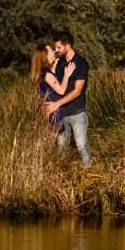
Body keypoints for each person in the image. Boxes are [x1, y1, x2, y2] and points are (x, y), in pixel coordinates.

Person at [44, 32, 92, 167]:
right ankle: (62, 175)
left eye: (59, 47)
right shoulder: (60, 64)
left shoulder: (81, 63)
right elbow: (55, 85)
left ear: (68, 46)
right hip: (62, 114)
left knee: (82, 146)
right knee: (61, 149)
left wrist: (56, 104)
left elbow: (77, 91)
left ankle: (89, 173)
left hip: (77, 112)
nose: (56, 50)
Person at [30, 44, 77, 135]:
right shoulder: (47, 75)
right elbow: (61, 90)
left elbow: (50, 86)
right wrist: (67, 74)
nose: (54, 52)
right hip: (57, 115)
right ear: (45, 56)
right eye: (51, 51)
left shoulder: (39, 75)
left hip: (48, 113)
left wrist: (54, 65)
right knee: (62, 140)